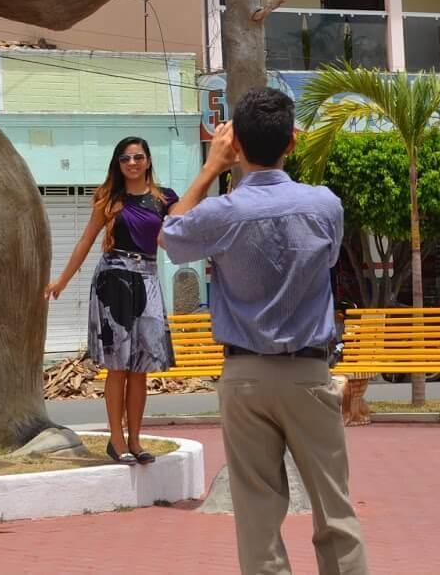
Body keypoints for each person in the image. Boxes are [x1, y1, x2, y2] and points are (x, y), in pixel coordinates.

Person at [161, 90, 368, 575]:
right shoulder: (325, 205)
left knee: (256, 514)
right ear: (291, 142)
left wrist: (212, 168)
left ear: (235, 145)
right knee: (334, 507)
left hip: (245, 375)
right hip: (309, 371)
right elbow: (331, 257)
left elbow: (170, 236)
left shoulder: (223, 213)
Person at [45, 136, 176, 465]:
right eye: (125, 158)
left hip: (147, 278)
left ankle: (135, 438)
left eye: (138, 157)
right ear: (118, 164)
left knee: (141, 368)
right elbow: (87, 241)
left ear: (148, 161)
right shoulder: (109, 199)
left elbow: (186, 224)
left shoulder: (165, 199)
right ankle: (116, 441)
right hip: (113, 278)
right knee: (118, 366)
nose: (132, 163)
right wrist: (62, 280)